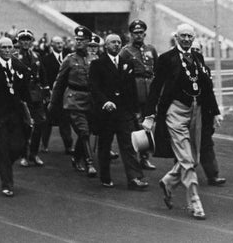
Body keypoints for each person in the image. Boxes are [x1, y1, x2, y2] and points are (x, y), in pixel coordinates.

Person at [142, 23, 222, 220]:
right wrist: (149, 115)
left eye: (189, 36)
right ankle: (195, 202)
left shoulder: (197, 57)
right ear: (176, 37)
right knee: (186, 159)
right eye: (183, 36)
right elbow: (155, 88)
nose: (186, 39)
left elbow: (206, 87)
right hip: (175, 111)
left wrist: (216, 112)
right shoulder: (166, 59)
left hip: (197, 111)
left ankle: (169, 181)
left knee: (193, 157)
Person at [90, 34, 148, 190]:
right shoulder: (97, 64)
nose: (116, 45)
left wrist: (136, 110)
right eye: (113, 42)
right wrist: (105, 102)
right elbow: (94, 87)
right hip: (106, 113)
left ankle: (134, 178)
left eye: (118, 42)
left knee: (128, 145)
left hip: (124, 111)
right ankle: (105, 177)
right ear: (106, 45)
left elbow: (131, 88)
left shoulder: (126, 63)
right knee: (105, 145)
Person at [0, 37, 32, 197]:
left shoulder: (20, 67)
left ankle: (7, 167)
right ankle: (7, 183)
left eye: (10, 47)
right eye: (4, 47)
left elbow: (26, 93)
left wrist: (29, 114)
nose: (8, 50)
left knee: (17, 147)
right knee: (2, 150)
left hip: (16, 115)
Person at [49, 26, 97, 177]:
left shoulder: (94, 59)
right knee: (83, 131)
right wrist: (53, 102)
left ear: (89, 41)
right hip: (73, 99)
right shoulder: (69, 59)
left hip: (89, 99)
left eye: (82, 40)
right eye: (77, 40)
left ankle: (76, 157)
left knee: (87, 132)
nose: (79, 43)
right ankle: (89, 163)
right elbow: (59, 83)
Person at [119, 19, 158, 170]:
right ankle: (139, 156)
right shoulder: (126, 51)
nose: (138, 35)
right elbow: (120, 72)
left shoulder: (151, 49)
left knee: (148, 124)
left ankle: (144, 157)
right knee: (137, 124)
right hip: (134, 91)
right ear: (131, 34)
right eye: (135, 33)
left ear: (145, 33)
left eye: (141, 33)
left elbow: (158, 70)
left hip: (150, 91)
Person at [14, 30, 48, 167]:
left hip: (36, 94)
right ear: (19, 42)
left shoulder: (36, 56)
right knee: (25, 126)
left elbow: (43, 74)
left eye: (28, 39)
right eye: (23, 40)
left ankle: (33, 154)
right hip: (22, 94)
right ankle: (24, 155)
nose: (26, 42)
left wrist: (46, 90)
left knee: (40, 123)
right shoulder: (15, 56)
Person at [41, 35, 73, 154]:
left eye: (61, 43)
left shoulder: (69, 57)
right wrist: (47, 91)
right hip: (51, 94)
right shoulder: (46, 59)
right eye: (57, 43)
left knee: (65, 121)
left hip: (66, 94)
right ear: (52, 45)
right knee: (47, 122)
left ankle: (68, 146)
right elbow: (44, 77)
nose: (60, 45)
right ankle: (44, 145)